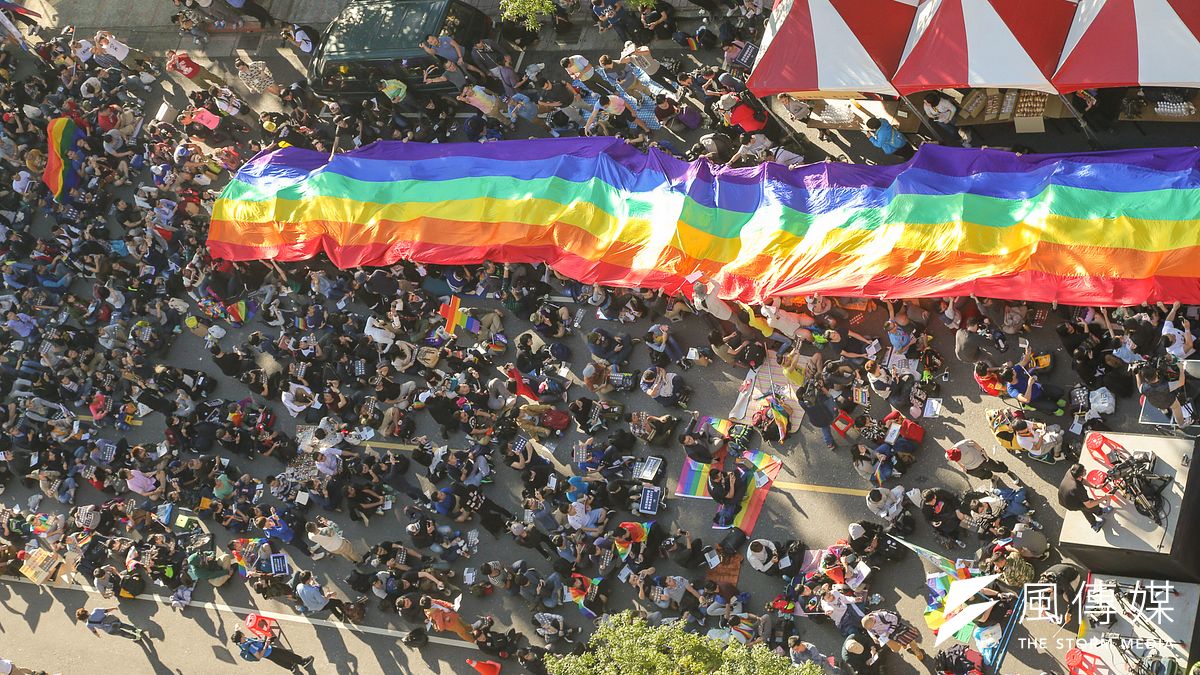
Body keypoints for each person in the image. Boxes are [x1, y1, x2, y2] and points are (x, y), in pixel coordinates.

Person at [1058, 463, 1112, 532]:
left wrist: (1095, 486)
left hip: (1064, 497)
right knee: (1089, 505)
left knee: (1086, 507)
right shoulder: (1078, 488)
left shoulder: (1071, 472)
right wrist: (1104, 498)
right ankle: (1097, 520)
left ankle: (1097, 517)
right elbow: (1089, 505)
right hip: (1070, 503)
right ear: (1079, 475)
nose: (1086, 470)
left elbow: (1082, 480)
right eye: (1084, 471)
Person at [1137, 362, 1193, 428]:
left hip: (1155, 403)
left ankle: (1164, 410)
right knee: (1176, 407)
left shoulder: (1144, 388)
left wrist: (1137, 374)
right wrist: (1181, 369)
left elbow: (1139, 387)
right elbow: (1181, 382)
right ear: (1156, 373)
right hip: (1169, 401)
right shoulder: (1166, 386)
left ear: (1145, 378)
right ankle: (1181, 424)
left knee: (1161, 405)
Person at [231, 629, 315, 671]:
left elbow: (237, 634)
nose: (243, 633)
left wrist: (236, 629)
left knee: (278, 660)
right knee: (287, 654)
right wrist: (266, 645)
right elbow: (259, 656)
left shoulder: (241, 643)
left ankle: (291, 666)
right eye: (241, 634)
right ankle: (303, 662)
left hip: (268, 653)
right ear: (241, 638)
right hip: (269, 651)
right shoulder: (250, 646)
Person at [76, 606, 145, 640]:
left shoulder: (88, 624)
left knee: (122, 633)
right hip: (113, 621)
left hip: (110, 630)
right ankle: (137, 630)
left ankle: (136, 637)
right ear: (87, 612)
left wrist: (98, 635)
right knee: (123, 625)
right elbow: (106, 610)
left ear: (83, 619)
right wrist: (114, 608)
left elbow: (94, 631)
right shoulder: (96, 610)